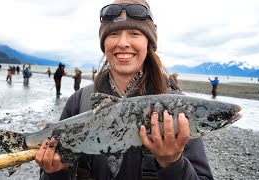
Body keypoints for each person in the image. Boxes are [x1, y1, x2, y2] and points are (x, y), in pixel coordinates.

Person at [35, 0, 213, 179]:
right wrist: (56, 172)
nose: (123, 43)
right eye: (113, 34)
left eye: (134, 33)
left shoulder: (177, 108)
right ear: (104, 43)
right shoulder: (79, 102)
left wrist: (172, 163)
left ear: (148, 43)